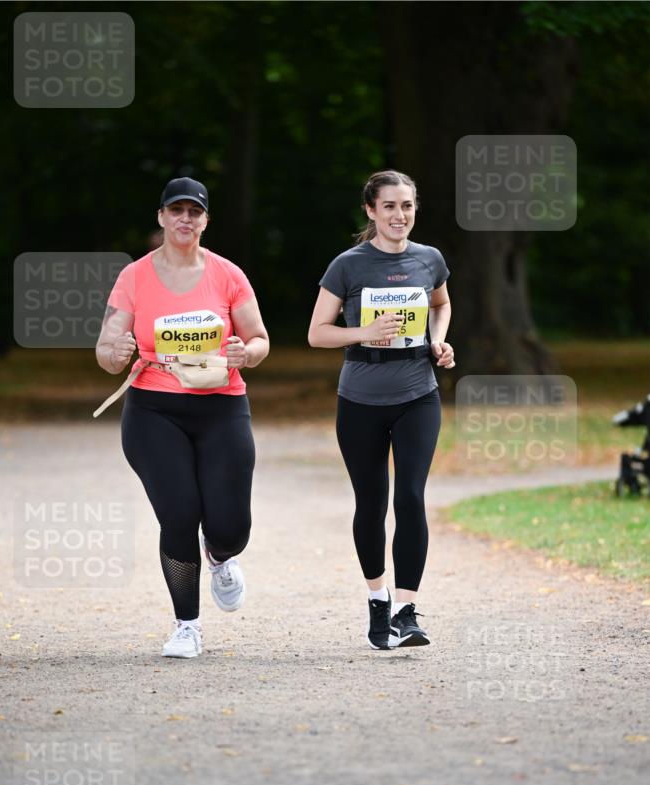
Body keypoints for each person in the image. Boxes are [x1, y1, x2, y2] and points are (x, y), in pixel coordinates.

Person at [95, 177, 269, 658]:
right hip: (154, 408)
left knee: (231, 526)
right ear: (162, 217)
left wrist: (244, 353)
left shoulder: (228, 275)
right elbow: (107, 349)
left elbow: (259, 340)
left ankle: (219, 555)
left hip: (222, 405)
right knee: (178, 514)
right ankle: (186, 625)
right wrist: (116, 350)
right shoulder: (135, 277)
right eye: (177, 210)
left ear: (206, 221)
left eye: (195, 212)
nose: (185, 219)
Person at [308, 170, 453, 650]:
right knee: (371, 505)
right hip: (360, 401)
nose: (400, 215)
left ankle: (406, 611)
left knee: (410, 497)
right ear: (370, 211)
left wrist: (438, 341)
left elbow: (441, 304)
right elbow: (317, 333)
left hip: (418, 394)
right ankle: (377, 597)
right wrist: (362, 334)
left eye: (407, 205)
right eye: (389, 206)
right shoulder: (348, 266)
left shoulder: (429, 259)